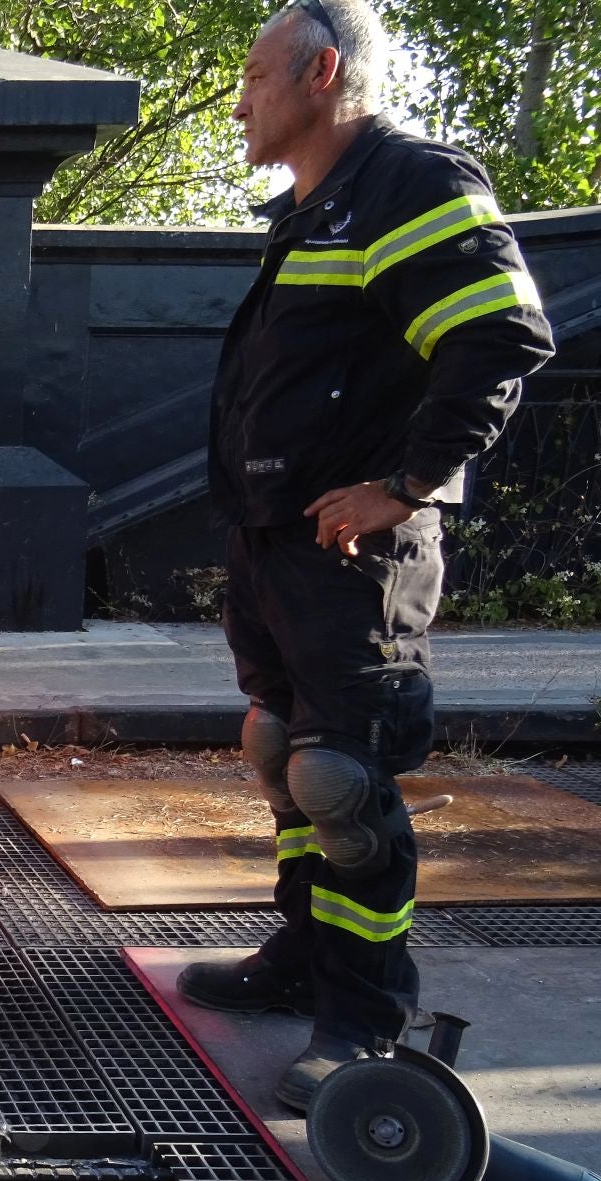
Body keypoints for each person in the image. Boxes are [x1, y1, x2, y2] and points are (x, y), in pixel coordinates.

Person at [178, 0, 553, 1109]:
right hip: (277, 545)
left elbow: (500, 336)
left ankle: (364, 1019)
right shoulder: (311, 210)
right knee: (284, 753)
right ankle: (302, 957)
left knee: (343, 779)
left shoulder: (408, 185)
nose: (241, 99)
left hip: (353, 560)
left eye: (254, 76)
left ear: (320, 71)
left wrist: (402, 487)